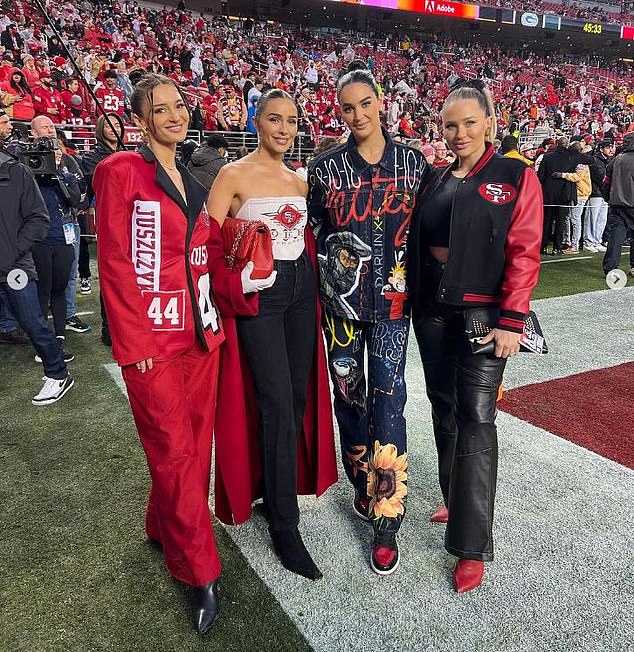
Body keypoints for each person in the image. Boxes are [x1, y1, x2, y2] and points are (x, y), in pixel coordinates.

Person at [92, 73, 256, 634]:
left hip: (200, 338)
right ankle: (201, 573)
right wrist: (131, 345)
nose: (175, 115)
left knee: (192, 449)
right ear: (141, 120)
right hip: (152, 344)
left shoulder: (192, 173)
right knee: (175, 453)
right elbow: (114, 264)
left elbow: (202, 248)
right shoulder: (119, 172)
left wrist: (239, 245)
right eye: (160, 109)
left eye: (180, 106)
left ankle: (162, 527)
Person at [408, 79, 543, 594]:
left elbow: (525, 249)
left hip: (486, 321)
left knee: (478, 420)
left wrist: (512, 319)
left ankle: (471, 545)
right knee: (442, 407)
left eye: (469, 122)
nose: (459, 132)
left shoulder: (516, 175)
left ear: (489, 121)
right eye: (450, 124)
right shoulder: (437, 176)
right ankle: (454, 497)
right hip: (433, 314)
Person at [207, 88, 337, 580]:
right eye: (275, 119)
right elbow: (205, 244)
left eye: (292, 121)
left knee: (295, 403)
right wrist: (233, 282)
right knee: (276, 402)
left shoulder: (299, 180)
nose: (285, 129)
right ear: (256, 121)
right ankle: (285, 524)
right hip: (261, 294)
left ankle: (272, 493)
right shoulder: (232, 174)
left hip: (302, 289)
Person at [308, 68, 428, 576]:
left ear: (381, 103)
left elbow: (427, 233)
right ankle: (360, 485)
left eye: (364, 104)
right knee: (349, 401)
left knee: (390, 401)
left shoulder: (415, 164)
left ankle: (386, 516)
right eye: (347, 109)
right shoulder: (324, 169)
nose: (357, 116)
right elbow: (309, 231)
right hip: (341, 311)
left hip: (394, 308)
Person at [0, 112, 73, 405]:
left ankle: (57, 373)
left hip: (14, 267)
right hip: (12, 260)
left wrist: (10, 253)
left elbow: (38, 219)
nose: (7, 126)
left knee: (33, 322)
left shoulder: (15, 171)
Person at [80, 112, 125, 345]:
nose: (113, 127)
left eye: (117, 123)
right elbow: (97, 182)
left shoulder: (129, 152)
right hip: (108, 217)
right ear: (100, 128)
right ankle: (108, 328)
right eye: (108, 124)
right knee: (111, 272)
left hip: (132, 217)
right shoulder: (91, 157)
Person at [601, 132, 634, 276]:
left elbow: (605, 184)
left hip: (617, 205)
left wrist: (609, 199)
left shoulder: (615, 161)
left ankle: (610, 267)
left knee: (615, 237)